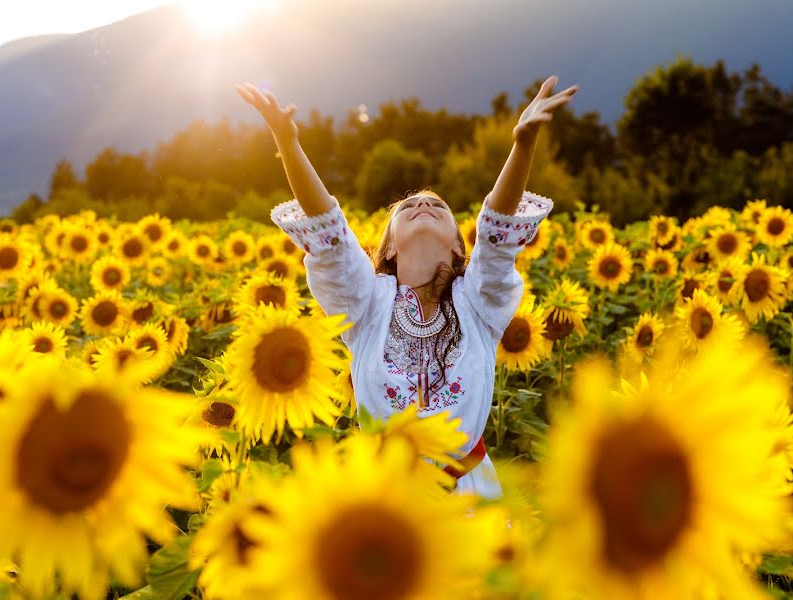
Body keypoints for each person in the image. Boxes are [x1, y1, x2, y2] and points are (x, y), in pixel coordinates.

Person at [235, 76, 577, 498]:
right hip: (384, 499)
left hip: (470, 495)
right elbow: (332, 233)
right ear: (390, 246)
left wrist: (522, 146)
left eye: (438, 205)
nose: (424, 204)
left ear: (457, 244)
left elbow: (497, 234)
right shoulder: (367, 304)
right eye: (410, 206)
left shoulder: (477, 301)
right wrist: (288, 145)